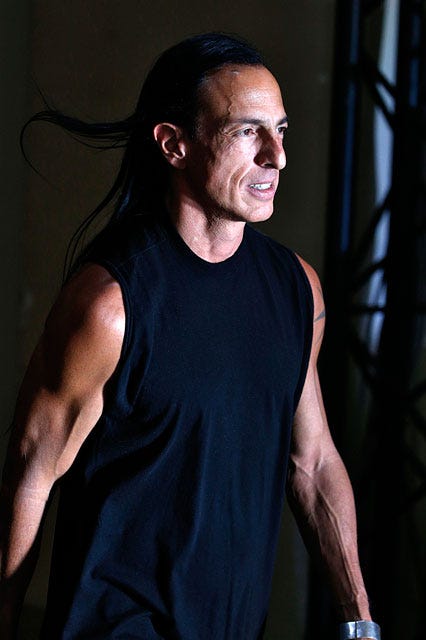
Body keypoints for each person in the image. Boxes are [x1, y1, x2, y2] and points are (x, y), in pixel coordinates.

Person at [0, 33, 380, 640]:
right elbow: (29, 477)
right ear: (175, 145)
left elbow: (312, 463)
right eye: (247, 132)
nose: (277, 157)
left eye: (281, 130)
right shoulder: (110, 306)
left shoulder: (297, 291)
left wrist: (360, 623)